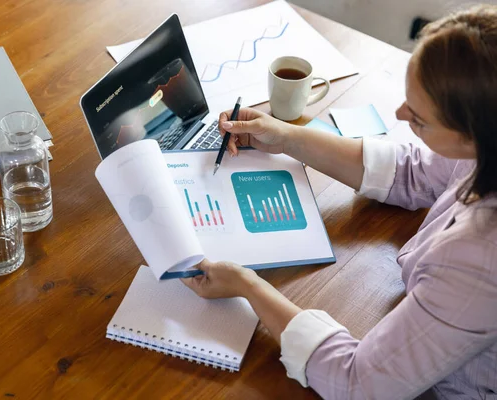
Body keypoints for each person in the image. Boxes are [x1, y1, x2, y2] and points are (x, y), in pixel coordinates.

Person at [182, 4, 497, 399]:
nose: (399, 115)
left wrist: (249, 286)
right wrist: (286, 136)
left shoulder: (478, 260)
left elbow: (358, 384)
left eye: (418, 119)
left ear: (474, 136)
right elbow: (415, 172)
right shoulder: (483, 145)